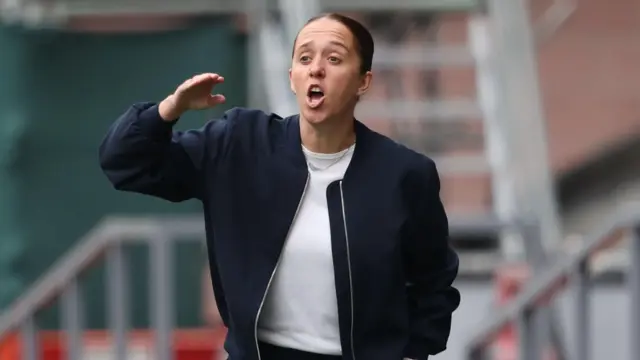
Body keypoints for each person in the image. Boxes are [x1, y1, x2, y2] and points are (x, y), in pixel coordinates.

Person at [99, 13, 460, 360]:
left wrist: (415, 353)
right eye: (305, 58)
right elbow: (124, 163)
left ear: (363, 81)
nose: (316, 68)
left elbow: (434, 281)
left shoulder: (404, 174)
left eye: (334, 58)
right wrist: (168, 110)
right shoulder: (240, 143)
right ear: (292, 77)